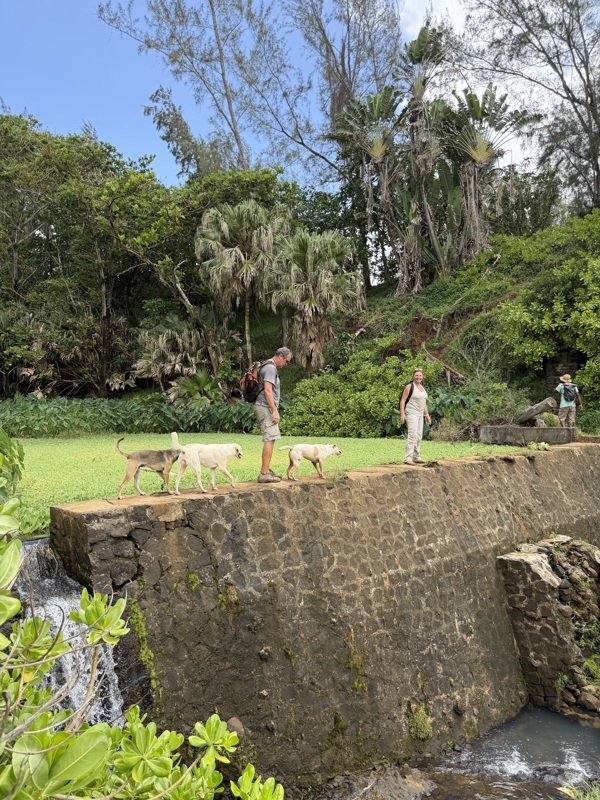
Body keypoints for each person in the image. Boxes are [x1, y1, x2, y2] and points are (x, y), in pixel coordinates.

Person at [254, 347, 293, 483]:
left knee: (272, 437)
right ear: (281, 356)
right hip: (265, 407)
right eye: (286, 361)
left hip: (264, 406)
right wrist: (274, 410)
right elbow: (268, 391)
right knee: (269, 438)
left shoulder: (267, 365)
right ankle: (264, 474)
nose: (286, 364)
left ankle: (267, 469)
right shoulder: (270, 368)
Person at [399, 368, 431, 465]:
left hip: (420, 413)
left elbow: (423, 403)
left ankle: (416, 456)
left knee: (418, 435)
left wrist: (427, 415)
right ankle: (408, 457)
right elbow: (403, 400)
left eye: (420, 375)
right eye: (416, 375)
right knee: (412, 434)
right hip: (411, 412)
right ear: (413, 376)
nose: (418, 377)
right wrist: (402, 414)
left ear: (423, 377)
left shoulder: (422, 388)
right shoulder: (410, 386)